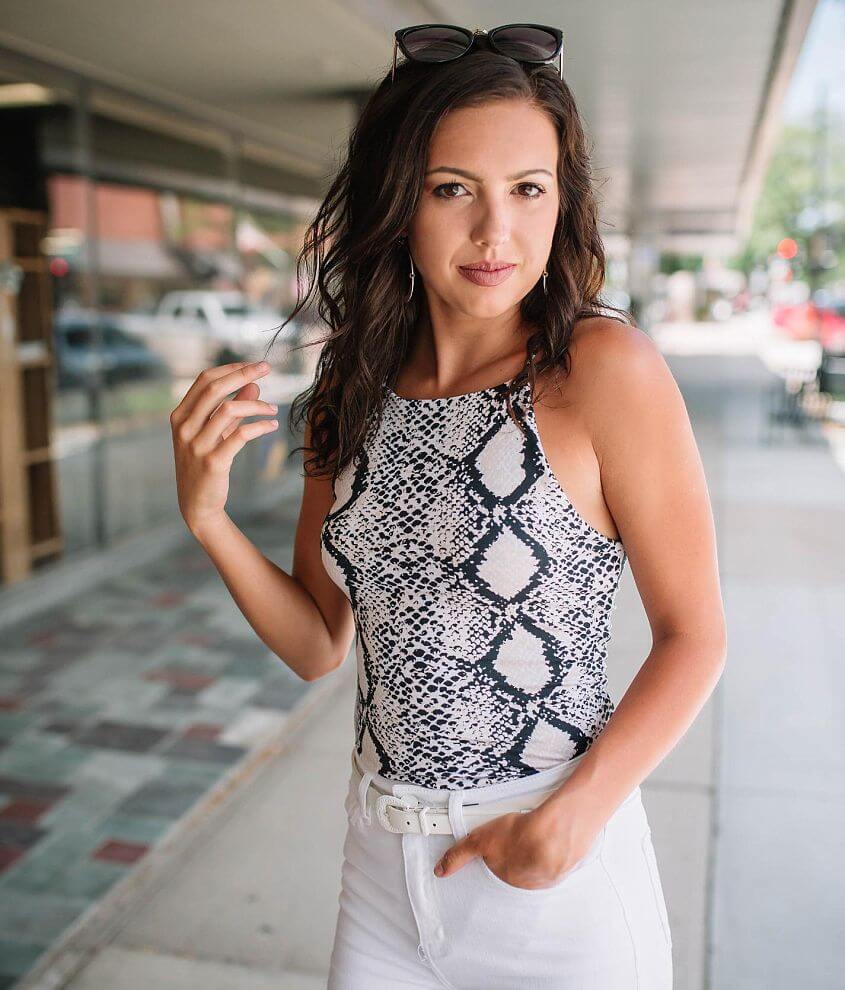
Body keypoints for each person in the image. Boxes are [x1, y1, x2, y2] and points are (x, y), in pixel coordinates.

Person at [171, 23, 727, 989]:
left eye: (527, 189)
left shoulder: (600, 370)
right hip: (381, 871)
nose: (494, 231)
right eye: (451, 189)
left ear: (562, 202)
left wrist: (574, 818)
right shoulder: (349, 389)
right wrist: (209, 520)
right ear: (399, 201)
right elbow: (318, 644)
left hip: (553, 875)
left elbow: (695, 635)